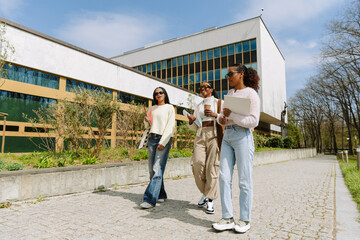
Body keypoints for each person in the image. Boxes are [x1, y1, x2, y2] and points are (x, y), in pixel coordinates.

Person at [212, 64, 260, 233]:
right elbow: (224, 118)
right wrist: (221, 118)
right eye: (227, 74)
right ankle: (227, 217)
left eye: (230, 74)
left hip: (243, 137)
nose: (228, 77)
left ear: (241, 74)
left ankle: (245, 219)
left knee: (244, 179)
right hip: (228, 136)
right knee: (224, 177)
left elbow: (253, 121)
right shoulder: (231, 94)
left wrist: (230, 115)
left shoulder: (251, 94)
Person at [187, 82, 223, 214]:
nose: (203, 89)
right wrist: (191, 121)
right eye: (201, 88)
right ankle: (206, 192)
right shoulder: (199, 106)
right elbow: (195, 125)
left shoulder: (219, 103)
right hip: (201, 135)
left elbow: (226, 119)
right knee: (197, 164)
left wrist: (215, 115)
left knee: (212, 167)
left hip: (214, 135)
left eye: (206, 87)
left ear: (211, 89)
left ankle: (210, 200)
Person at [140, 87, 175, 209]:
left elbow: (170, 126)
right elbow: (148, 126)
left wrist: (163, 141)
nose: (158, 94)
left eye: (161, 92)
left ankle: (150, 199)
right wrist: (146, 121)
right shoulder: (152, 108)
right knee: (152, 169)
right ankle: (161, 194)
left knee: (157, 168)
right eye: (156, 93)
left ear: (165, 94)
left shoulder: (169, 107)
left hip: (162, 139)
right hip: (152, 138)